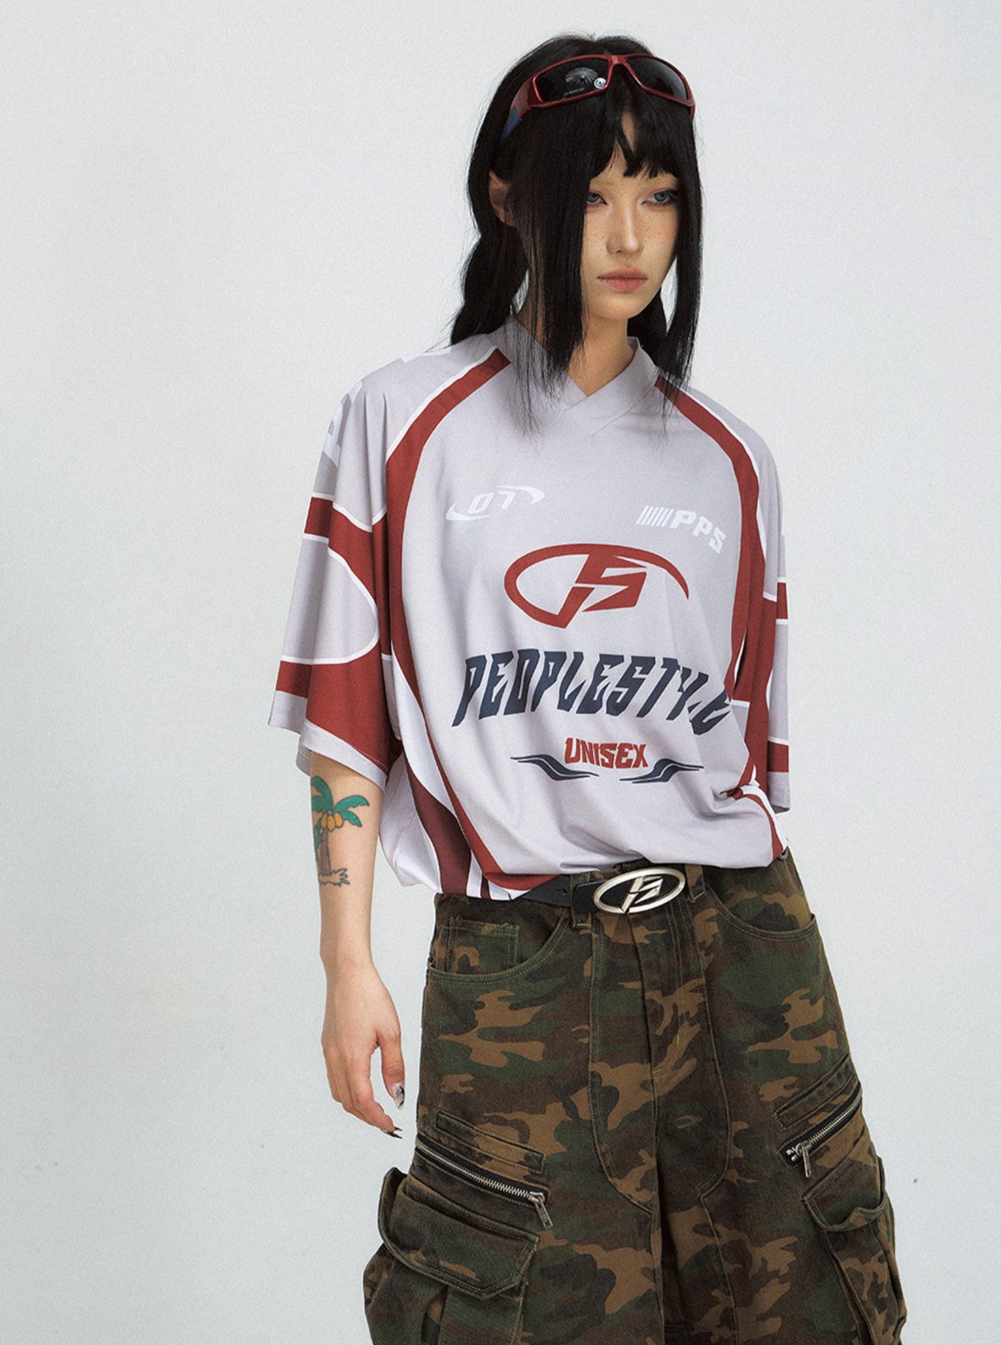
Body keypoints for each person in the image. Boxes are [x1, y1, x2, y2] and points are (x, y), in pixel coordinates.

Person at [269, 33, 906, 1345]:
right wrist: (347, 961)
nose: (628, 235)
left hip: (742, 953)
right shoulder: (402, 423)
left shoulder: (731, 463)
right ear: (509, 199)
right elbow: (345, 719)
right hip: (525, 963)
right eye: (593, 192)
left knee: (816, 1305)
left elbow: (746, 760)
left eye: (659, 195)